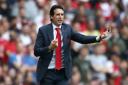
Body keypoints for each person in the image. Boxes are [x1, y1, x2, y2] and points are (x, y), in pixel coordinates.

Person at [34, 5, 111, 85]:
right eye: (57, 15)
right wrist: (49, 48)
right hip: (47, 73)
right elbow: (36, 51)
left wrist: (99, 38)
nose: (60, 17)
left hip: (63, 73)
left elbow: (82, 39)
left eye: (62, 14)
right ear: (51, 16)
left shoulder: (67, 29)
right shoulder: (43, 30)